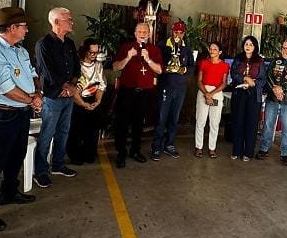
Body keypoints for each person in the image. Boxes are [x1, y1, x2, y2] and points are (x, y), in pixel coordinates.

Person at [0, 7, 41, 232]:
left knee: (17, 155)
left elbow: (32, 74)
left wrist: (37, 94)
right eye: (24, 27)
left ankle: (9, 192)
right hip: (4, 114)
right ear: (12, 28)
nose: (27, 30)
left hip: (21, 112)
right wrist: (32, 100)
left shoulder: (20, 50)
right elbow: (5, 88)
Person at [33, 7, 80, 188]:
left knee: (63, 131)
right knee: (47, 134)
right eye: (69, 19)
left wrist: (72, 87)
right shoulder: (43, 44)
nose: (72, 22)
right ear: (57, 22)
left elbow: (76, 68)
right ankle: (41, 171)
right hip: (53, 96)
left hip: (67, 96)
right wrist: (65, 87)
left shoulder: (69, 43)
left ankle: (58, 164)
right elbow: (47, 71)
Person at [112, 22, 163, 168]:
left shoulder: (154, 49)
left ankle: (135, 150)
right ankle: (121, 153)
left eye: (145, 32)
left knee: (138, 124)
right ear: (135, 34)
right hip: (127, 91)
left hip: (145, 93)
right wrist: (128, 57)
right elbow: (115, 67)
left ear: (149, 34)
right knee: (122, 123)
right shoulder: (126, 47)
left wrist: (148, 59)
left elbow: (159, 70)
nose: (142, 34)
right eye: (139, 32)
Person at [256, 38, 287, 166]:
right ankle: (264, 149)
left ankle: (285, 154)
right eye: (283, 47)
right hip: (272, 99)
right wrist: (275, 89)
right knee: (268, 126)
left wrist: (282, 89)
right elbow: (269, 76)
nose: (284, 50)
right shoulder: (275, 61)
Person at [151, 20, 194, 161]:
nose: (178, 35)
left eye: (181, 32)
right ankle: (156, 146)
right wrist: (165, 69)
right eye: (176, 32)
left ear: (184, 33)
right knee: (161, 117)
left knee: (174, 118)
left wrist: (184, 70)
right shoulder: (162, 45)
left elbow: (192, 66)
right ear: (171, 31)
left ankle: (169, 145)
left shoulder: (187, 47)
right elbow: (156, 64)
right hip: (165, 85)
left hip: (180, 87)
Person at [68, 38, 107, 164]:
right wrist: (83, 103)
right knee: (76, 129)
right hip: (77, 100)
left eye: (96, 52)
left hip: (93, 98)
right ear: (84, 51)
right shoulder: (76, 65)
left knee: (93, 129)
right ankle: (75, 154)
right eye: (92, 52)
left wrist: (98, 101)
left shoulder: (98, 65)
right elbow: (73, 89)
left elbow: (102, 85)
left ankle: (89, 152)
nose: (94, 55)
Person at [229, 35, 266, 161]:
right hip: (239, 93)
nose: (248, 46)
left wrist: (253, 83)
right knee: (238, 121)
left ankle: (248, 153)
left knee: (251, 123)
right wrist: (244, 78)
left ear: (255, 47)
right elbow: (233, 73)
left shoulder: (260, 61)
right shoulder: (238, 58)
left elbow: (263, 79)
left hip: (254, 95)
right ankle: (236, 150)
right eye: (246, 44)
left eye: (251, 44)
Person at [194, 41, 230, 158]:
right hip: (203, 91)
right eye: (210, 48)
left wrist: (211, 94)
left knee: (214, 122)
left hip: (217, 93)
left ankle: (212, 148)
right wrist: (206, 93)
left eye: (215, 49)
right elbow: (199, 81)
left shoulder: (225, 65)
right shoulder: (204, 63)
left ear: (220, 52)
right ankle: (198, 147)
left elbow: (224, 83)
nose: (212, 51)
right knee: (200, 121)